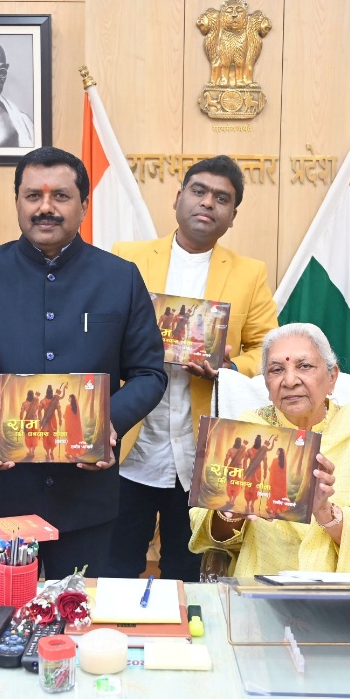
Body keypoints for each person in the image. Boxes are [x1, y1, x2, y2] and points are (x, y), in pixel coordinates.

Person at [0, 146, 167, 578]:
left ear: (83, 205)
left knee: (80, 621)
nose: (45, 208)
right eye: (33, 196)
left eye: (60, 196)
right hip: (1, 494)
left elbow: (148, 373)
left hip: (88, 493)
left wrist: (104, 422)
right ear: (18, 203)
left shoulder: (120, 278)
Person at [104, 155, 279, 581]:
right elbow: (99, 333)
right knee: (117, 566)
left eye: (222, 198)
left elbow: (268, 349)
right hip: (132, 446)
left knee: (188, 571)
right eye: (199, 191)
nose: (208, 203)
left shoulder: (249, 274)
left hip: (202, 451)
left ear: (232, 216)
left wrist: (229, 367)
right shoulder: (127, 259)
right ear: (178, 197)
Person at [189, 323, 350, 579]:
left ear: (332, 377)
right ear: (267, 385)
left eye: (304, 366)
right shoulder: (247, 434)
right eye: (277, 370)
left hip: (341, 595)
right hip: (262, 586)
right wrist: (231, 514)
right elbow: (213, 537)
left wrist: (326, 513)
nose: (290, 380)